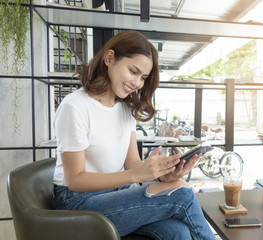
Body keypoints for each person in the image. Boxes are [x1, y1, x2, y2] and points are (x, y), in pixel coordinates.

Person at [52, 30, 216, 240]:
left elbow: (131, 163)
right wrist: (138, 176)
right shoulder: (75, 106)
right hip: (77, 203)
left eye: (143, 77)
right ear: (109, 59)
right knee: (183, 195)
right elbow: (75, 180)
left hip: (115, 194)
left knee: (178, 232)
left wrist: (161, 173)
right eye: (133, 71)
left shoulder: (124, 107)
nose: (138, 83)